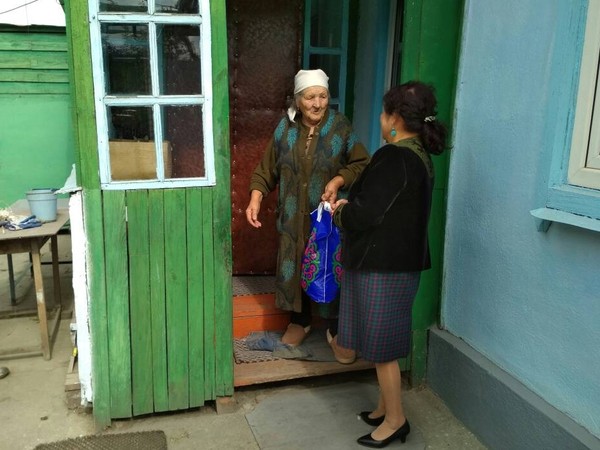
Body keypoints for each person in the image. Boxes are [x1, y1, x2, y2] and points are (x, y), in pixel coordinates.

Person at [331, 81, 448, 447]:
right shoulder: (419, 157)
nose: (381, 120)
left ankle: (396, 420)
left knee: (382, 350)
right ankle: (385, 407)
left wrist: (340, 213)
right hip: (399, 264)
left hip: (383, 266)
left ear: (395, 118)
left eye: (384, 114)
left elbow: (367, 213)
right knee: (383, 344)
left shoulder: (394, 156)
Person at [245, 69, 369, 354]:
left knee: (330, 265)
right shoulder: (285, 128)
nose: (317, 103)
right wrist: (255, 198)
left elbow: (362, 163)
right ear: (298, 100)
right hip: (292, 218)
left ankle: (337, 328)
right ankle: (300, 321)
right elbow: (267, 169)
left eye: (323, 96)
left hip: (327, 217)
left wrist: (338, 180)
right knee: (296, 262)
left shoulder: (340, 126)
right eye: (310, 97)